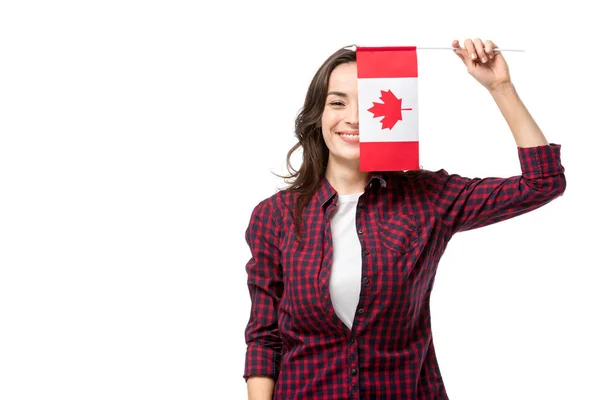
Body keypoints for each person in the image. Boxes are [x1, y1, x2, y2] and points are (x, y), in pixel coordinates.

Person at [242, 38, 566, 400]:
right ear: (318, 114)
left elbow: (542, 183)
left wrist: (500, 87)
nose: (353, 118)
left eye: (370, 104)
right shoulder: (274, 217)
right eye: (338, 102)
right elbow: (264, 336)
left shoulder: (427, 199)